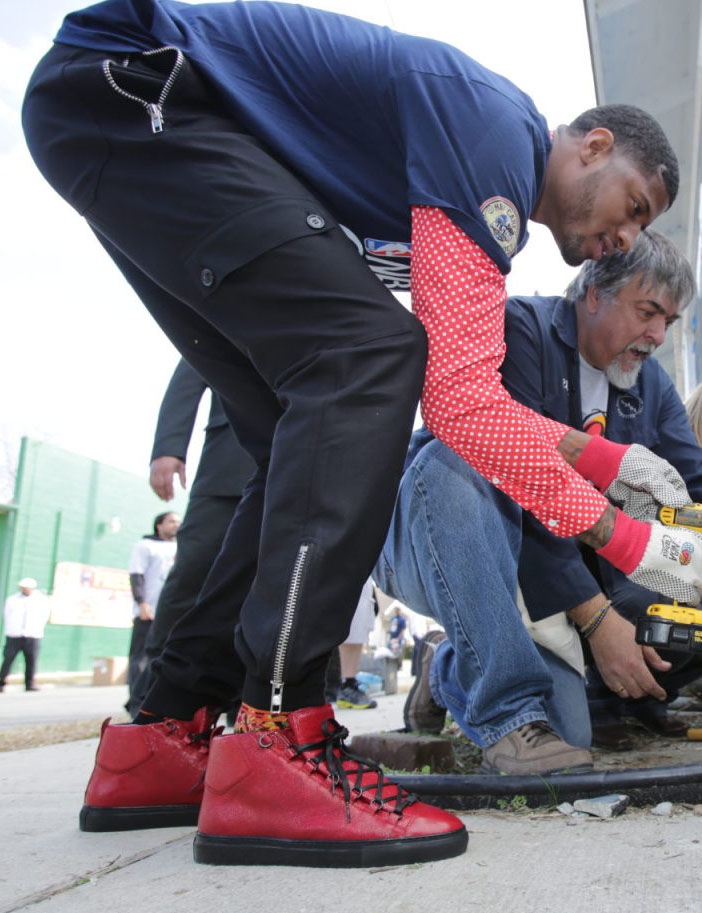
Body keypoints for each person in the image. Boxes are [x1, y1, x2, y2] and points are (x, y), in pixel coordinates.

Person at [22, 0, 701, 868]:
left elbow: (460, 392)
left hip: (112, 106)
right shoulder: (498, 130)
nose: (626, 238)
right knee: (371, 353)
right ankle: (281, 736)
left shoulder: (464, 180)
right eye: (635, 205)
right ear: (593, 145)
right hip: (138, 85)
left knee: (287, 421)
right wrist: (627, 534)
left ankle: (166, 728)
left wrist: (615, 468)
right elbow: (460, 403)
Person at [376, 229, 698, 772]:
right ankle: (483, 679)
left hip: (571, 572)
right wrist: (598, 622)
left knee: (575, 723)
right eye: (648, 312)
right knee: (460, 466)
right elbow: (518, 486)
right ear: (595, 292)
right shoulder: (515, 331)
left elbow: (691, 485)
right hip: (456, 538)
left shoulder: (653, 385)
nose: (657, 334)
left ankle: (587, 686)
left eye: (669, 320)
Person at [129, 357, 255, 715]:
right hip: (227, 465)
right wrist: (168, 448)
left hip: (297, 460)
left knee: (269, 587)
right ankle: (153, 690)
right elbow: (191, 372)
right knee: (192, 575)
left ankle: (245, 697)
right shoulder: (235, 304)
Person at [125, 510, 180, 714]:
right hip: (148, 611)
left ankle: (155, 702)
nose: (176, 525)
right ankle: (135, 703)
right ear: (159, 525)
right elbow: (136, 575)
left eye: (178, 522)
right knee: (141, 658)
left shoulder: (180, 546)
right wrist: (142, 603)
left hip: (171, 613)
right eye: (172, 521)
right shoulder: (145, 546)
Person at [0, 578, 51, 693]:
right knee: (8, 659)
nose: (24, 589)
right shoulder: (12, 599)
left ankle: (30, 683)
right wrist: (11, 629)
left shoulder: (41, 600)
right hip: (14, 635)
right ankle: (1, 682)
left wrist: (37, 628)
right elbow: (7, 615)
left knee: (31, 660)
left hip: (32, 635)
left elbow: (44, 616)